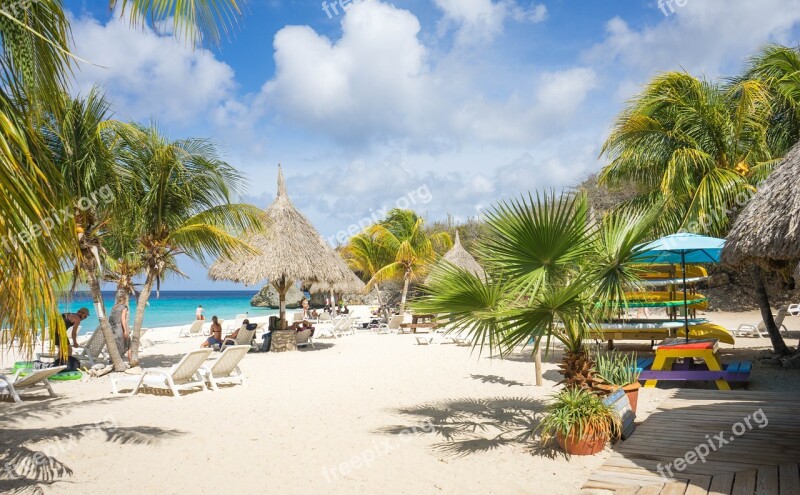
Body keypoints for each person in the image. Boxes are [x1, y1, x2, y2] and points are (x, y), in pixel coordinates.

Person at [108, 294, 130, 361]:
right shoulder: (124, 307)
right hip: (119, 328)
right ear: (125, 299)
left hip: (113, 328)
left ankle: (112, 360)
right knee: (123, 344)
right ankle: (119, 360)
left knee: (115, 345)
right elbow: (123, 319)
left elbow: (110, 318)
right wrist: (125, 330)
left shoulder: (114, 307)